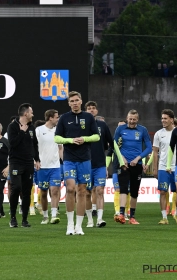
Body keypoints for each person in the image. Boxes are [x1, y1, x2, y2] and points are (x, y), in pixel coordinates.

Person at [55, 91, 100, 235]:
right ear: (68, 103)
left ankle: (79, 226)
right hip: (69, 159)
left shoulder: (88, 117)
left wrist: (84, 139)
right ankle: (69, 224)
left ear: (81, 101)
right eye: (72, 101)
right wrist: (70, 140)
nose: (74, 103)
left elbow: (96, 136)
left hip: (85, 159)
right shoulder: (64, 118)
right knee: (70, 188)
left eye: (76, 100)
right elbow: (57, 138)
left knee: (82, 191)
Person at [114, 110, 152, 225]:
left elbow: (149, 148)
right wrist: (122, 158)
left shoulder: (142, 130)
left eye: (134, 119)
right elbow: (114, 144)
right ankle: (121, 214)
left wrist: (138, 159)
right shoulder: (120, 129)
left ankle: (132, 217)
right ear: (127, 118)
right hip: (124, 165)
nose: (131, 121)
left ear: (137, 119)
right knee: (123, 188)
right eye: (130, 119)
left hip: (137, 165)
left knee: (134, 191)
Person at [7, 103, 40, 228]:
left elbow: (34, 144)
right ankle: (13, 217)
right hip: (16, 162)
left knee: (27, 191)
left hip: (28, 163)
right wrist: (21, 133)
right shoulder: (12, 127)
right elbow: (12, 144)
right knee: (15, 188)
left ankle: (24, 219)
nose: (32, 114)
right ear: (25, 113)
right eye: (31, 112)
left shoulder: (32, 128)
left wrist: (37, 159)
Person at [85, 101, 116, 228]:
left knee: (100, 190)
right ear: (86, 111)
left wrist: (115, 159)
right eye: (89, 108)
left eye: (93, 108)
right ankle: (89, 220)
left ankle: (100, 219)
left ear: (97, 111)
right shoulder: (82, 126)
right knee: (87, 192)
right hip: (85, 164)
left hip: (100, 164)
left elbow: (111, 144)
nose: (91, 110)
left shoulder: (102, 125)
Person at [36, 109, 62, 225]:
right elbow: (34, 147)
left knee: (55, 190)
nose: (58, 119)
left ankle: (54, 215)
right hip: (42, 167)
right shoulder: (39, 130)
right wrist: (35, 160)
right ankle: (45, 216)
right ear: (50, 118)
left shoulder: (59, 131)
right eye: (56, 117)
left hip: (55, 167)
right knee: (43, 192)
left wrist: (63, 161)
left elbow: (60, 148)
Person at [152, 109, 176, 225]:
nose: (163, 120)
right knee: (163, 191)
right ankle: (164, 217)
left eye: (165, 118)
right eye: (162, 118)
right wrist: (155, 168)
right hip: (163, 167)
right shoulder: (158, 134)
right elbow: (155, 152)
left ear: (171, 119)